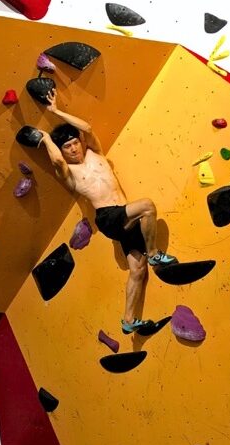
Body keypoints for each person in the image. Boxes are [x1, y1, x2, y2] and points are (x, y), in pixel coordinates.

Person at [38, 89, 178, 334]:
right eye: (67, 147)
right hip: (107, 217)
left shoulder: (96, 153)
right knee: (147, 205)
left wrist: (56, 111)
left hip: (126, 219)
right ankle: (155, 252)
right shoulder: (70, 174)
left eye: (74, 143)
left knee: (138, 270)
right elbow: (58, 162)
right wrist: (46, 138)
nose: (73, 149)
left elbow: (88, 129)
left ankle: (128, 320)